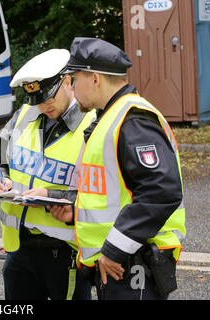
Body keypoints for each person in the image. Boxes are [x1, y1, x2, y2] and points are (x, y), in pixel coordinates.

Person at [52, 37, 186, 300]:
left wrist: (113, 249)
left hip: (131, 265)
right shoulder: (110, 116)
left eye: (74, 79)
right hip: (119, 265)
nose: (72, 88)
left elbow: (161, 192)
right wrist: (76, 209)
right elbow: (113, 191)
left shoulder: (132, 118)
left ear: (95, 78)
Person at [0, 49, 95, 300]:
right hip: (19, 250)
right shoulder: (25, 114)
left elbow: (105, 193)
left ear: (68, 81)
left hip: (65, 253)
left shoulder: (93, 124)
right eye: (36, 99)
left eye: (47, 97)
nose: (42, 105)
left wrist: (53, 195)